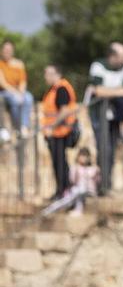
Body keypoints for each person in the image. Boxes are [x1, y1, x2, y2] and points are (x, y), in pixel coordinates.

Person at [85, 42, 123, 196]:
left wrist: (109, 92)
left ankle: (107, 184)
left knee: (111, 151)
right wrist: (118, 92)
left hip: (115, 117)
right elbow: (98, 91)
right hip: (98, 114)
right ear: (113, 56)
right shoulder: (98, 65)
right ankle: (100, 185)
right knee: (103, 148)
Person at [38, 66, 79, 202]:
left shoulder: (61, 88)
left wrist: (51, 126)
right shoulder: (53, 89)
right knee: (58, 163)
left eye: (48, 74)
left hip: (60, 132)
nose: (46, 77)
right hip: (54, 132)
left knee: (60, 163)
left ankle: (64, 191)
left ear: (57, 74)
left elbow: (64, 111)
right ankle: (61, 190)